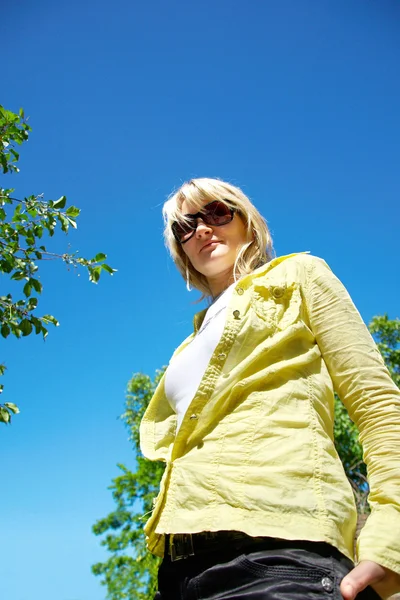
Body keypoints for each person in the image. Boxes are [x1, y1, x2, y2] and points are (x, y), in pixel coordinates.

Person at [140, 177, 400, 600]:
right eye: (185, 227)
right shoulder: (189, 343)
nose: (201, 229)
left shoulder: (299, 276)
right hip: (179, 570)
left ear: (247, 222)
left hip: (278, 553)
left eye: (217, 213)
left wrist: (391, 535)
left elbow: (377, 404)